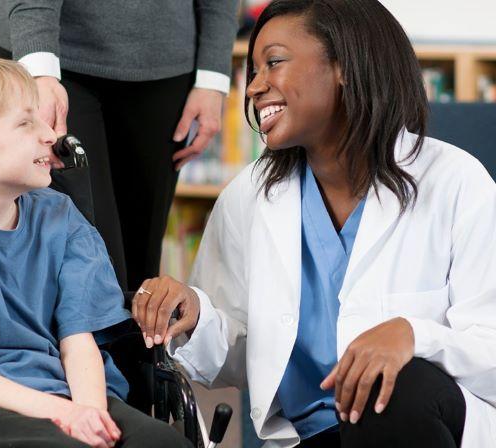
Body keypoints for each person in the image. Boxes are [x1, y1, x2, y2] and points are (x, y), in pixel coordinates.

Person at [132, 1, 496, 447]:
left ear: (344, 66)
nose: (254, 87)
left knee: (394, 386)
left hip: (418, 428)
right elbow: (242, 358)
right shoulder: (247, 197)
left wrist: (413, 335)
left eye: (274, 63)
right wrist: (194, 313)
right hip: (310, 438)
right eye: (253, 69)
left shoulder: (456, 182)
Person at [0, 53, 192, 448]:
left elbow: (78, 340)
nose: (50, 134)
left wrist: (90, 414)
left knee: (162, 443)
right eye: (26, 122)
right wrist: (62, 414)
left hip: (68, 386)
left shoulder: (61, 217)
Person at [0, 0, 239, 292]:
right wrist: (38, 69)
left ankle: (131, 337)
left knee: (139, 266)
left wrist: (213, 78)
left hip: (163, 65)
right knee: (86, 254)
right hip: (50, 55)